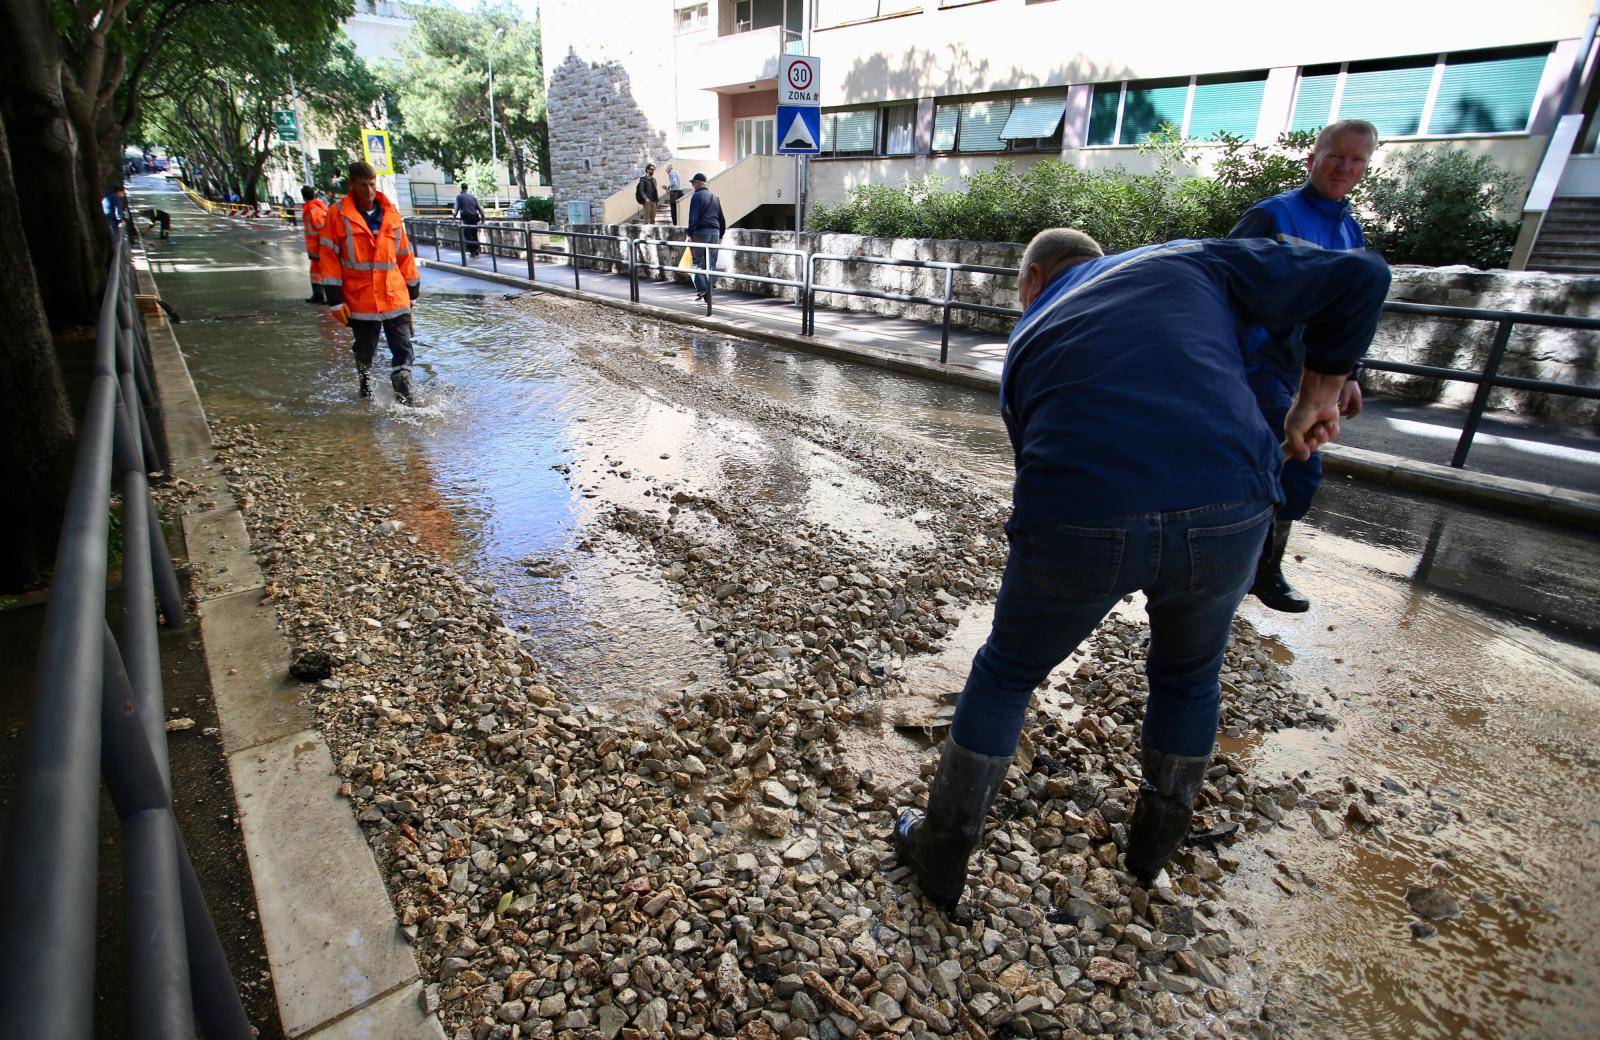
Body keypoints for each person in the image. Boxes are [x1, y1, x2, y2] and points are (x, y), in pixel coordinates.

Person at [891, 229, 1391, 910]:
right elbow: (1361, 277)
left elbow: (1038, 462)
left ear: (1032, 281)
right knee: (1188, 678)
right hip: (1230, 500)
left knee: (1007, 672)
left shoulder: (1031, 334)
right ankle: (1149, 857)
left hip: (1083, 509)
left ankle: (942, 855)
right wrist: (1322, 386)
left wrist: (1318, 383)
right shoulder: (1192, 259)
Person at [1228, 119, 1378, 613]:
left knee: (1291, 465)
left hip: (1309, 371)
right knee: (1286, 464)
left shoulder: (1349, 227)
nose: (1345, 167)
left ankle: (1257, 569)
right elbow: (1229, 285)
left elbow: (1347, 311)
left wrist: (1348, 375)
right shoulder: (1272, 216)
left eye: (1357, 159)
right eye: (1337, 156)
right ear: (1312, 159)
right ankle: (1245, 570)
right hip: (1261, 363)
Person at [317, 161, 422, 405]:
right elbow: (329, 257)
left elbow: (404, 255)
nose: (369, 190)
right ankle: (365, 383)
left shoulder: (391, 214)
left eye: (373, 184)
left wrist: (412, 290)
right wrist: (335, 299)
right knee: (365, 348)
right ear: (352, 185)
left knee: (403, 347)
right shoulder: (339, 215)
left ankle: (404, 392)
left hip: (393, 296)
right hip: (361, 299)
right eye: (363, 185)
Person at [685, 172, 725, 302]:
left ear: (697, 183)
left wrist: (689, 233)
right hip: (715, 232)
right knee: (711, 264)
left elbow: (693, 217)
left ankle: (703, 289)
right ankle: (710, 290)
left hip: (700, 232)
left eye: (692, 183)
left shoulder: (696, 196)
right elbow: (722, 219)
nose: (692, 185)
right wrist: (721, 235)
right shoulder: (715, 197)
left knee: (694, 262)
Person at [301, 186, 331, 304]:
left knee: (324, 270)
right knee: (316, 271)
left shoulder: (312, 210)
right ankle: (318, 294)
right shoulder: (316, 208)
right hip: (317, 246)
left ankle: (327, 296)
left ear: (304, 197)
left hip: (319, 246)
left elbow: (321, 228)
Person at [453, 185, 485, 257]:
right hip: (474, 217)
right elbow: (479, 209)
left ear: (461, 189)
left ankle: (472, 251)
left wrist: (454, 218)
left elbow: (456, 209)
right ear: (467, 189)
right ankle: (476, 250)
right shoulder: (473, 197)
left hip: (466, 218)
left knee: (467, 235)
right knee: (474, 234)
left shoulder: (459, 197)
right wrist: (483, 218)